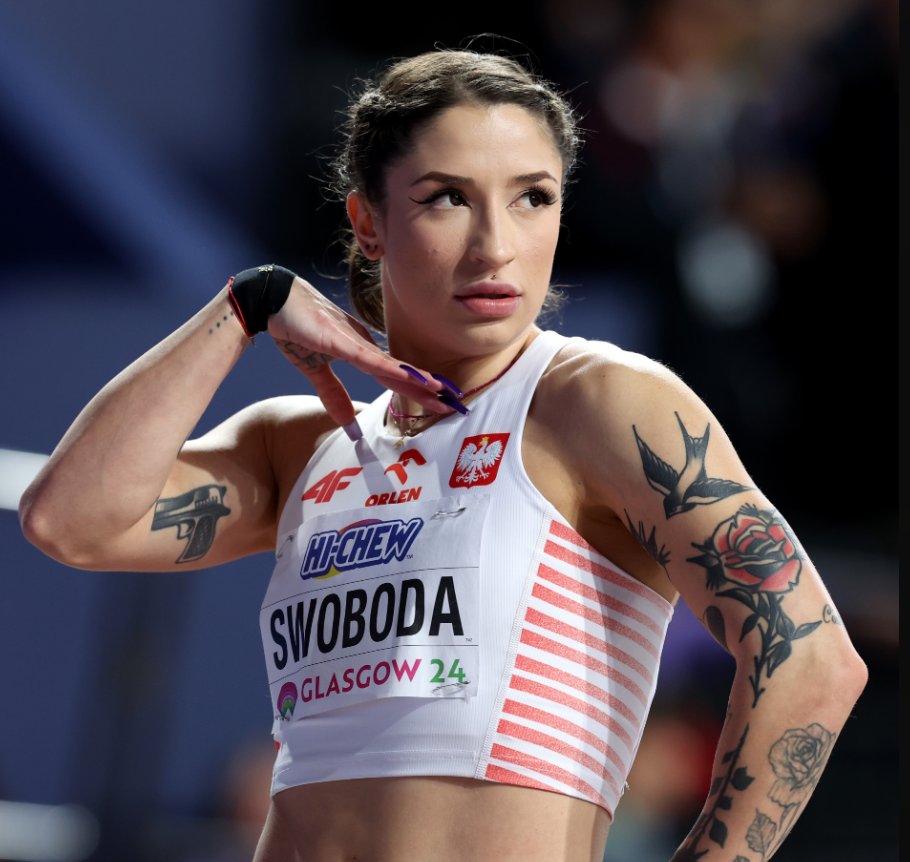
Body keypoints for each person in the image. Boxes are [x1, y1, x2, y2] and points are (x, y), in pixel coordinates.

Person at [18, 43, 867, 862]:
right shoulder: (304, 442)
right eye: (448, 198)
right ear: (368, 222)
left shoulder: (596, 403)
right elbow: (67, 520)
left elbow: (812, 660)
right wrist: (246, 305)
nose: (495, 244)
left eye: (532, 197)